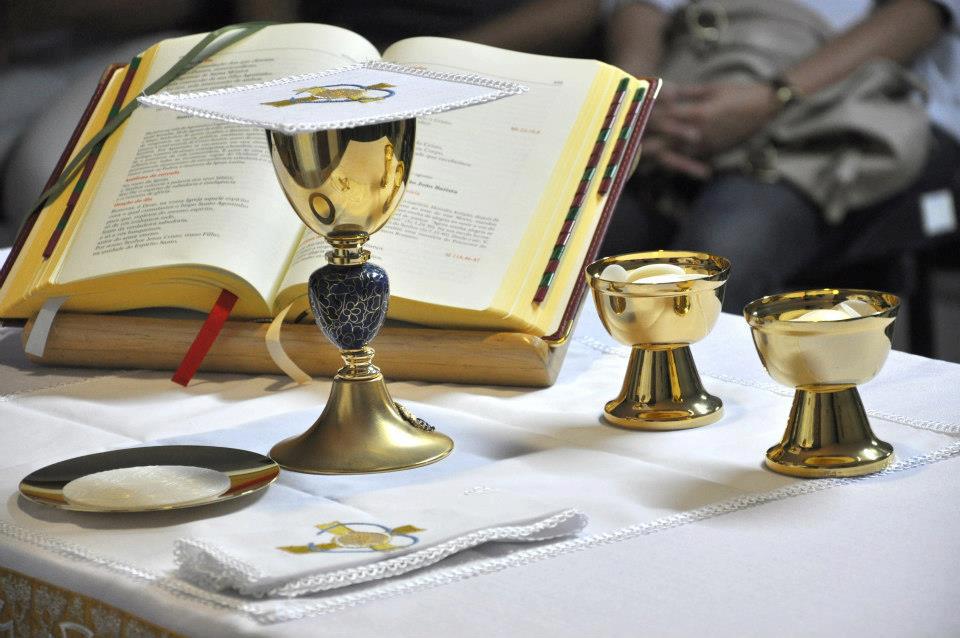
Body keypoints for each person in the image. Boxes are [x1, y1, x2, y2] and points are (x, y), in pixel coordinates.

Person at [602, 0, 960, 311]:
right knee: (586, 240)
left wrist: (774, 96)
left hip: (836, 107)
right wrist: (639, 97)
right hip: (690, 85)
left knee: (715, 265)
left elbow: (921, 13)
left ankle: (679, 387)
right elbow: (645, 7)